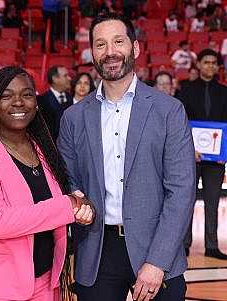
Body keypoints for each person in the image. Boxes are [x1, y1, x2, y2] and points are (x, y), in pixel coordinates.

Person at [57, 13, 196, 301]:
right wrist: (75, 198)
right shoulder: (73, 118)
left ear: (135, 48)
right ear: (92, 53)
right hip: (97, 253)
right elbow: (66, 180)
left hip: (157, 248)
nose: (110, 52)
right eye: (100, 44)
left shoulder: (169, 111)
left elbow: (181, 191)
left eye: (118, 42)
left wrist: (158, 261)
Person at [0, 66, 95, 301]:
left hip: (45, 284)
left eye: (27, 95)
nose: (18, 102)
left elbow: (52, 202)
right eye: (7, 96)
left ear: (36, 103)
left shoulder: (43, 149)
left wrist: (78, 207)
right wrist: (68, 206)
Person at [179, 49, 227, 260]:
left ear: (218, 67)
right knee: (186, 201)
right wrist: (191, 149)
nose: (210, 66)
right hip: (191, 156)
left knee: (212, 201)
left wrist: (224, 152)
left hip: (216, 159)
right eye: (206, 62)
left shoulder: (225, 92)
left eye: (213, 63)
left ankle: (212, 246)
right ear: (198, 65)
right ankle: (183, 244)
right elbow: (180, 124)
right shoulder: (186, 90)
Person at [37, 65, 72, 141]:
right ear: (55, 79)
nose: (69, 78)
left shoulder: (72, 98)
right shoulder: (41, 100)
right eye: (65, 76)